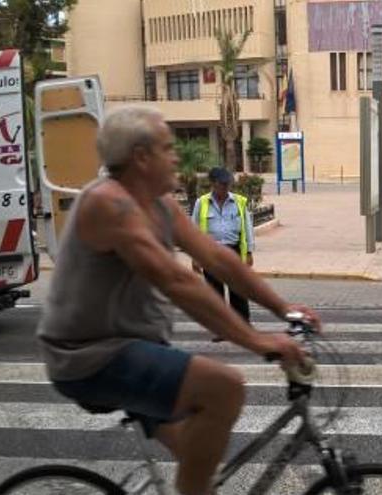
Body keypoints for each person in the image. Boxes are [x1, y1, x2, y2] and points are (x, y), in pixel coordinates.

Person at [36, 106, 318, 495]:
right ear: (140, 157)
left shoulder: (159, 203)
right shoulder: (109, 203)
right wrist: (259, 341)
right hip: (90, 355)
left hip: (134, 346)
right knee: (224, 388)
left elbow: (217, 258)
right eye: (168, 148)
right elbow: (176, 280)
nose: (177, 157)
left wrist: (282, 308)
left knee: (197, 458)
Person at [191, 167, 254, 322]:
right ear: (213, 184)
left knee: (238, 291)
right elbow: (194, 230)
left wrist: (249, 252)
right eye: (222, 185)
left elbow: (247, 227)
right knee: (215, 292)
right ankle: (222, 328)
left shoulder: (239, 201)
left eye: (228, 185)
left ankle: (243, 326)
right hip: (210, 252)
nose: (226, 188)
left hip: (234, 250)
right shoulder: (202, 202)